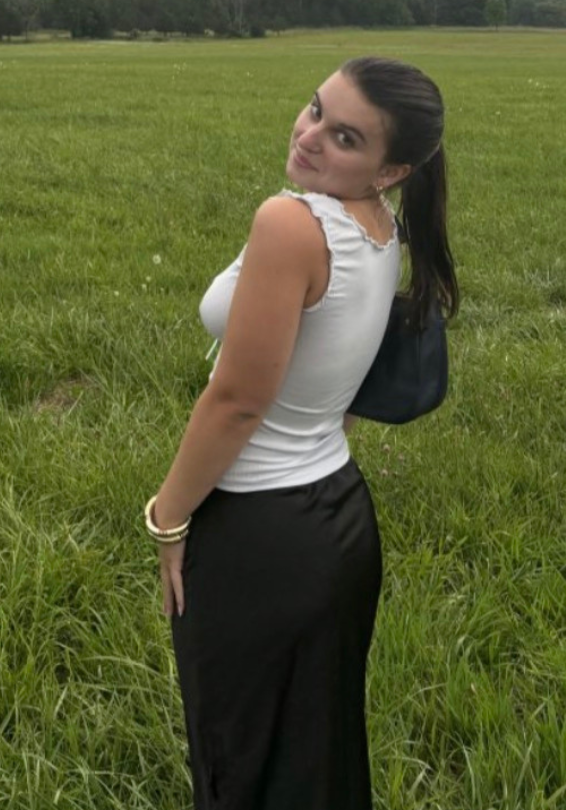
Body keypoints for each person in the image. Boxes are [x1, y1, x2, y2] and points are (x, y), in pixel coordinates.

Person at [145, 56, 459, 809]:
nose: (311, 135)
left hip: (259, 533)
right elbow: (334, 377)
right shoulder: (378, 227)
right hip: (337, 519)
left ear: (392, 170)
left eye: (345, 136)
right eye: (316, 109)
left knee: (240, 758)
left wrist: (168, 517)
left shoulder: (292, 224)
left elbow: (237, 402)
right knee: (315, 754)